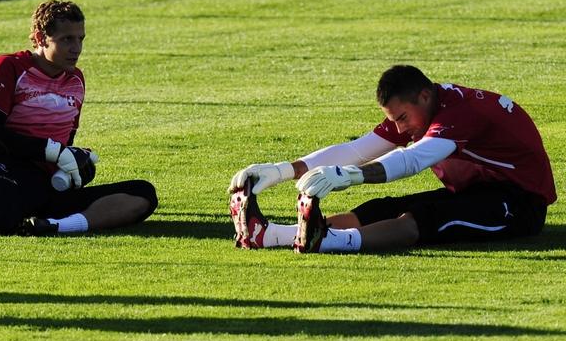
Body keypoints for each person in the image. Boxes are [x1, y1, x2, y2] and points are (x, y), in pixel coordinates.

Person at [228, 65, 556, 253]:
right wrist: (282, 170)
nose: (400, 127)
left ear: (424, 96)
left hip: (519, 205)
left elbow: (414, 160)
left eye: (402, 117)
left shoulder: (461, 113)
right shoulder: (425, 106)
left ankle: (329, 243)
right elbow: (358, 150)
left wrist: (350, 176)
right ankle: (269, 235)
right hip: (476, 191)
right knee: (379, 209)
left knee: (418, 220)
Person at [0, 0, 157, 236]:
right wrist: (53, 151)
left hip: (44, 180)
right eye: (67, 39)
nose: (77, 48)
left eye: (81, 39)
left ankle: (54, 226)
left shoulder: (76, 80)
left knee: (142, 194)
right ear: (40, 38)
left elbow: (64, 143)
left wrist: (75, 164)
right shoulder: (6, 67)